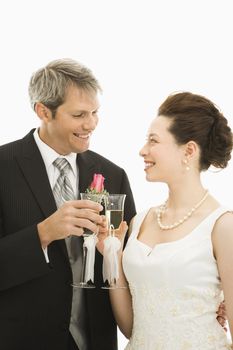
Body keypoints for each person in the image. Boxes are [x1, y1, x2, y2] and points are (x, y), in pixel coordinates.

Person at [0, 58, 136, 350]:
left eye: (95, 112)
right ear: (43, 111)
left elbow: (134, 263)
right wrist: (43, 234)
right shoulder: (2, 167)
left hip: (96, 340)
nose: (91, 124)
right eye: (79, 115)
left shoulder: (114, 175)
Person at [108, 92, 233, 349]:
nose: (143, 150)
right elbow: (131, 327)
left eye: (153, 141)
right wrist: (112, 253)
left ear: (188, 150)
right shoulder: (140, 221)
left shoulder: (222, 226)